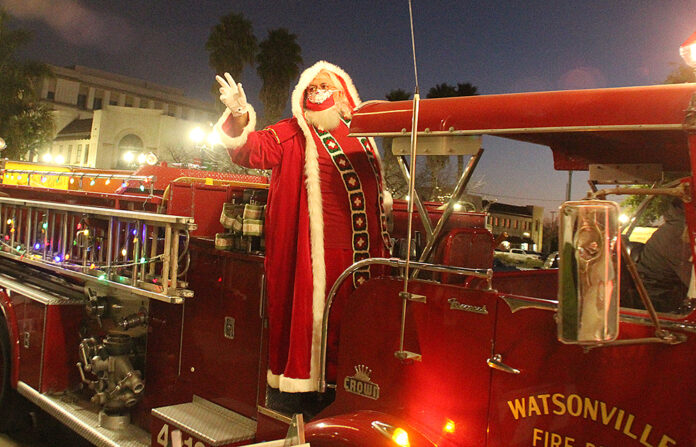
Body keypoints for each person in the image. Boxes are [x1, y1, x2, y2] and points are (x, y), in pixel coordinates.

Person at [214, 61, 391, 393]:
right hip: (316, 256)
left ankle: (351, 385)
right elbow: (251, 151)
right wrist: (239, 114)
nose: (318, 91)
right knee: (317, 325)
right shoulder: (294, 132)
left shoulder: (363, 135)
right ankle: (311, 392)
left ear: (343, 93)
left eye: (325, 85)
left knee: (358, 326)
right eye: (311, 86)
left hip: (364, 256)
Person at [635, 199, 692, 312]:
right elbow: (691, 278)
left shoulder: (680, 226)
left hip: (668, 294)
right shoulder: (679, 232)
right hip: (658, 302)